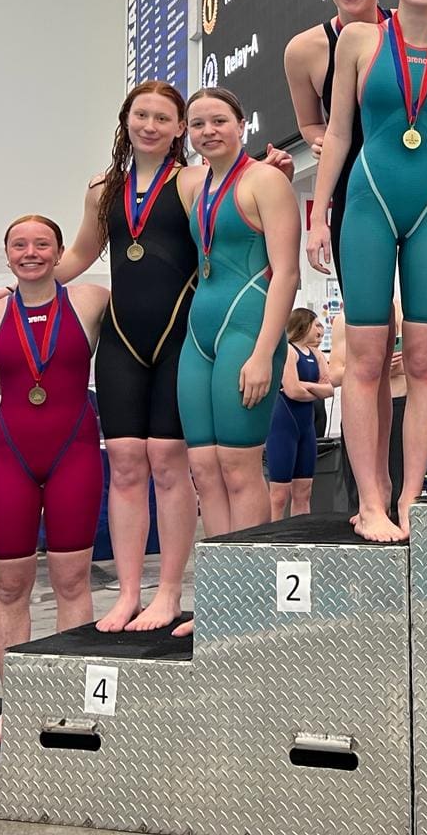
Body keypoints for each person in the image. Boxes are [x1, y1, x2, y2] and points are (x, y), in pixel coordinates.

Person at [286, 0, 427, 515]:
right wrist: (318, 218)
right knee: (365, 359)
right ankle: (371, 498)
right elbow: (335, 133)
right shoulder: (361, 40)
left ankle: (413, 493)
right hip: (367, 202)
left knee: (424, 358)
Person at [57, 82, 196, 634]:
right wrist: (24, 285)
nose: (151, 125)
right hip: (121, 339)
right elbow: (82, 253)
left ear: (179, 129)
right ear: (127, 119)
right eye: (142, 115)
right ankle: (128, 592)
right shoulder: (103, 189)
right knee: (125, 464)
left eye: (164, 118)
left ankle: (168, 592)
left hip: (177, 337)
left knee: (168, 462)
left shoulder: (192, 180)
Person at [0, 215, 109, 746]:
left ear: (58, 252)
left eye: (41, 243)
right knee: (10, 588)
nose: (31, 252)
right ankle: (18, 706)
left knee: (72, 582)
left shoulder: (92, 301)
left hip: (74, 451)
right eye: (19, 245)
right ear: (7, 256)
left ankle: (71, 702)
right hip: (10, 456)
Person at [177, 87, 300, 543]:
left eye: (219, 121)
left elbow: (286, 274)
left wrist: (264, 353)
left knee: (239, 465)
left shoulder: (265, 182)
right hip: (199, 335)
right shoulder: (195, 184)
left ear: (241, 123)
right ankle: (218, 595)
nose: (208, 131)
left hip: (246, 331)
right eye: (198, 124)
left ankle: (247, 602)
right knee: (204, 469)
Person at [268, 308, 333, 520]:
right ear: (304, 325)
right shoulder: (288, 351)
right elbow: (292, 392)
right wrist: (314, 388)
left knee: (304, 491)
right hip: (283, 425)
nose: (320, 331)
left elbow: (329, 390)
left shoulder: (317, 354)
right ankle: (273, 538)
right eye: (317, 326)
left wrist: (304, 385)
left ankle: (300, 534)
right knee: (279, 495)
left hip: (306, 427)